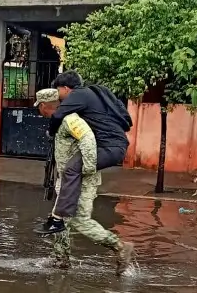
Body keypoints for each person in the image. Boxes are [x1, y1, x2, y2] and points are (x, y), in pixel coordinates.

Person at [34, 88, 135, 275]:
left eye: (39, 107)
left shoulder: (70, 119)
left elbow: (88, 139)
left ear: (43, 105)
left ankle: (120, 246)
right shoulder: (63, 120)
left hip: (80, 180)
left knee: (80, 220)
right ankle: (61, 259)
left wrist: (87, 169)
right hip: (70, 180)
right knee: (60, 219)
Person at [38, 70, 132, 236]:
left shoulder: (79, 95)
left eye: (58, 90)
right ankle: (60, 220)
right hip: (113, 145)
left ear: (66, 88)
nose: (58, 96)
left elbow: (57, 116)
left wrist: (51, 133)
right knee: (72, 169)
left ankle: (58, 219)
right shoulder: (90, 94)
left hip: (110, 147)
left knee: (71, 169)